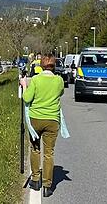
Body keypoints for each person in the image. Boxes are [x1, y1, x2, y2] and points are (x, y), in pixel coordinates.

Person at [22, 55, 64, 197]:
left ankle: (35, 179)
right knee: (49, 153)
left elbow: (27, 98)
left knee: (35, 149)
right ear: (54, 66)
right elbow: (61, 93)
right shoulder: (59, 80)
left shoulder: (36, 80)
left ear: (40, 65)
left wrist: (24, 85)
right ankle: (47, 185)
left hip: (36, 119)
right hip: (52, 120)